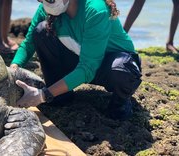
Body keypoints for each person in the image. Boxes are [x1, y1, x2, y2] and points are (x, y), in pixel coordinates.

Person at [10, 0, 142, 120]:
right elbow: (28, 44)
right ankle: (60, 94)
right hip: (81, 59)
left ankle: (121, 101)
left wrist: (43, 95)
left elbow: (88, 68)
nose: (44, 1)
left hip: (108, 64)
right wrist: (12, 70)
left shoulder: (96, 9)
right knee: (41, 31)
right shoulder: (47, 7)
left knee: (121, 71)